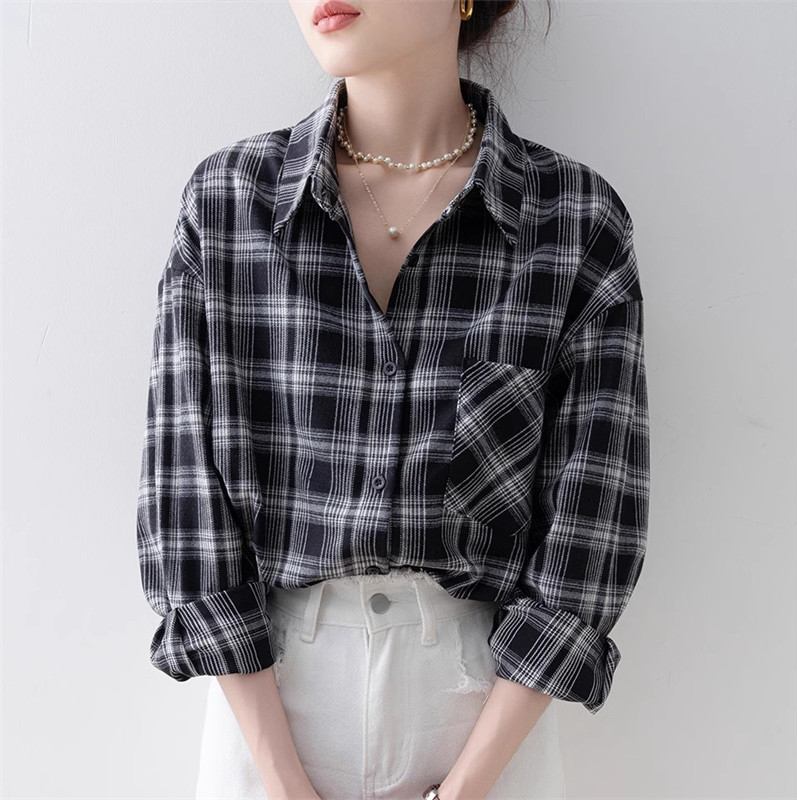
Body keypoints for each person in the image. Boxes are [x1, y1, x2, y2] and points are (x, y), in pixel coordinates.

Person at [136, 1, 650, 798]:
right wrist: (281, 780)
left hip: (484, 714)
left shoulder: (573, 222)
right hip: (270, 704)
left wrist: (468, 785)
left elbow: (594, 526)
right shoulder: (230, 205)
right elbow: (185, 503)